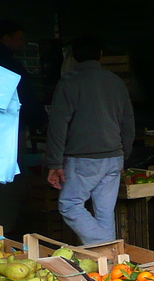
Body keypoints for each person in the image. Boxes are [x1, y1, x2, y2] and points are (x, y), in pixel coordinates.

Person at [45, 35, 134, 246]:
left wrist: (54, 163)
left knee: (69, 205)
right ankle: (111, 262)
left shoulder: (69, 83)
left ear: (74, 57)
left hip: (83, 159)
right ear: (101, 56)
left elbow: (57, 126)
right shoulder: (116, 82)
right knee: (104, 213)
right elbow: (128, 122)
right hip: (114, 157)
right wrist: (124, 156)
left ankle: (108, 247)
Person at [0, 20, 45, 236]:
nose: (22, 43)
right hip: (8, 137)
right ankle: (5, 235)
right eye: (17, 38)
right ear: (4, 38)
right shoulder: (11, 67)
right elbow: (27, 101)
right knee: (8, 186)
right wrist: (40, 121)